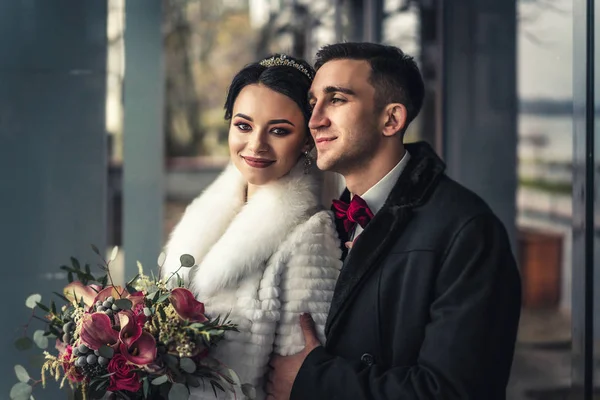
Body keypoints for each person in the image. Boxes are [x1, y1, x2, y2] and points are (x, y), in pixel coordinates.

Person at [267, 43, 522, 399]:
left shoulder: (469, 231)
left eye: (337, 99)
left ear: (391, 119)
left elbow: (453, 391)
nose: (315, 119)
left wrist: (314, 381)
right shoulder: (324, 221)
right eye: (313, 103)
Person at [161, 54, 343, 400]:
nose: (256, 145)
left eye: (279, 131)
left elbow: (295, 384)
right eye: (243, 126)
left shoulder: (310, 235)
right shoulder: (204, 213)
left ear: (307, 140)